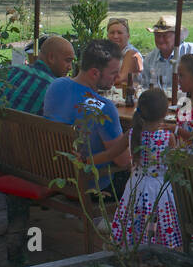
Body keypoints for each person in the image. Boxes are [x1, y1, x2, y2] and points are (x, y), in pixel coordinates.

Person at [42, 40, 131, 197]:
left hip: (57, 176)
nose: (118, 77)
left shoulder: (56, 85)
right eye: (113, 73)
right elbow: (123, 161)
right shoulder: (103, 107)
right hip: (92, 186)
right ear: (95, 73)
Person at [113, 87, 180, 249]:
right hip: (159, 188)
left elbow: (110, 153)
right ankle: (160, 249)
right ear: (165, 113)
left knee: (134, 218)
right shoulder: (168, 137)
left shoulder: (132, 133)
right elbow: (175, 165)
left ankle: (134, 247)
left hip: (135, 186)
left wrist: (87, 161)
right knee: (162, 221)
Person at [140, 14, 193, 92]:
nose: (160, 40)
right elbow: (144, 86)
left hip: (187, 102)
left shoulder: (191, 50)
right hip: (158, 102)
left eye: (165, 36)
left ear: (177, 36)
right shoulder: (150, 58)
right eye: (157, 35)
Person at [0, 35, 75, 114]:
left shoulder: (11, 70)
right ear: (51, 58)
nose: (70, 67)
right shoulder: (55, 90)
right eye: (68, 60)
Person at [106, 17, 144, 89]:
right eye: (112, 33)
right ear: (107, 35)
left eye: (119, 33)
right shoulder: (107, 52)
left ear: (128, 36)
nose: (115, 36)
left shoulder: (132, 54)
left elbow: (120, 79)